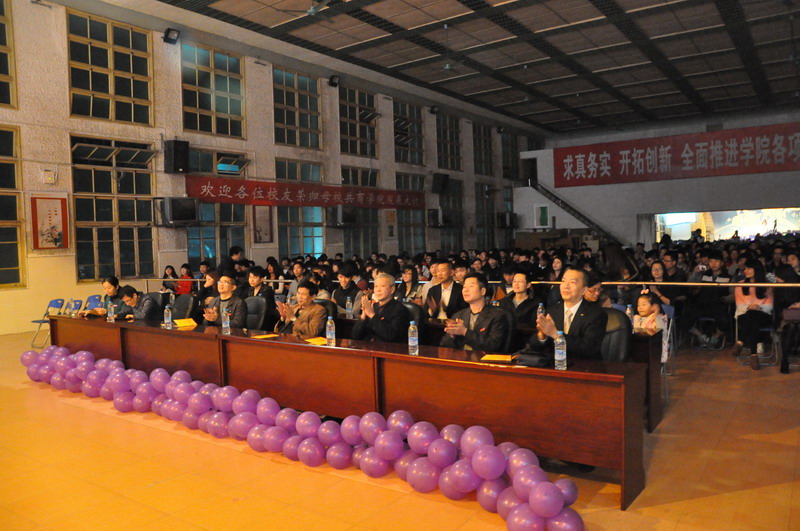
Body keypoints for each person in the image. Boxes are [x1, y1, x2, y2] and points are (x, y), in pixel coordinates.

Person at [517, 268, 608, 362]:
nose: (566, 286)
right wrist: (542, 336)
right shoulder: (552, 310)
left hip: (585, 366)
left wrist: (555, 334)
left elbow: (589, 347)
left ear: (584, 290)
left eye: (572, 282)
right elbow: (534, 345)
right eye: (563, 281)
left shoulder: (596, 313)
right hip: (554, 365)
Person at [441, 273, 510, 352]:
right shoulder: (459, 315)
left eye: (471, 286)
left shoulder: (497, 316)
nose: (466, 290)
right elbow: (444, 344)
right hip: (461, 358)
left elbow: (493, 345)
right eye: (464, 287)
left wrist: (465, 332)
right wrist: (452, 335)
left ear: (483, 291)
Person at [352, 273, 411, 343]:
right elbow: (355, 337)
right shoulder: (373, 307)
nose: (378, 290)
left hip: (389, 348)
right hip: (370, 347)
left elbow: (391, 336)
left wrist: (372, 315)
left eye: (382, 286)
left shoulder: (400, 310)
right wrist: (363, 317)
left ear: (392, 289)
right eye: (376, 286)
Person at [732, 260, 773, 356]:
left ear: (757, 270)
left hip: (763, 315)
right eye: (745, 268)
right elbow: (739, 305)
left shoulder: (766, 286)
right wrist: (750, 307)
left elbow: (769, 306)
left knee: (753, 315)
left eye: (749, 268)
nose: (745, 271)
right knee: (752, 316)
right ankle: (754, 353)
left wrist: (759, 307)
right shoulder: (741, 285)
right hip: (744, 314)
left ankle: (740, 342)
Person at [239, 266, 278, 330]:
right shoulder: (249, 290)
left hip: (266, 321)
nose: (252, 280)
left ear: (262, 279)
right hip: (251, 319)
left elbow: (267, 310)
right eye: (250, 277)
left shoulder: (267, 290)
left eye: (255, 277)